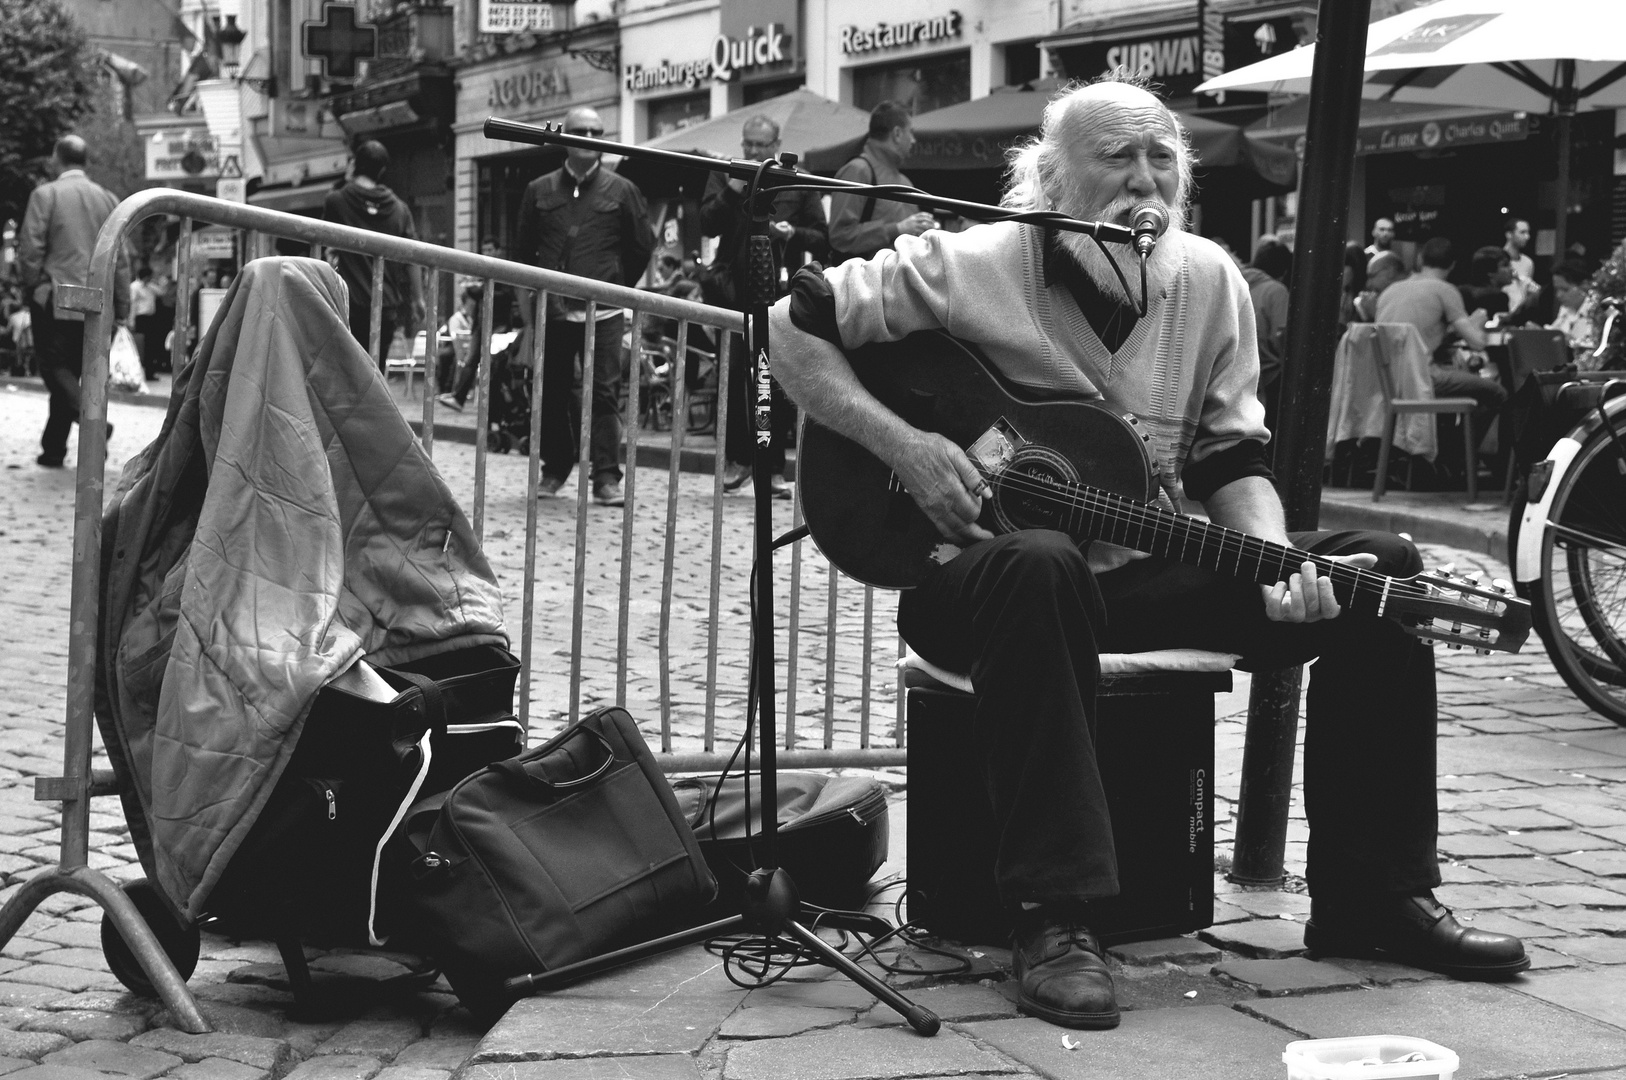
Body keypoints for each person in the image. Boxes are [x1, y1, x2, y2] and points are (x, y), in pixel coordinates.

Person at [768, 77, 1528, 1033]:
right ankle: (1055, 919)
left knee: (1378, 571)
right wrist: (906, 449)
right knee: (1040, 560)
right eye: (1115, 159)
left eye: (1160, 159)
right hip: (973, 579)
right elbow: (792, 327)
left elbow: (1231, 455)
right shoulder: (965, 262)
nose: (1144, 182)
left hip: (1132, 574)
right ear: (1049, 177)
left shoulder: (1210, 279)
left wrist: (1267, 558)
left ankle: (1375, 899)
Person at [515, 106, 653, 507]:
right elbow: (522, 253)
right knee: (554, 389)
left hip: (604, 311)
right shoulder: (539, 190)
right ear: (563, 137)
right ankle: (555, 469)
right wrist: (531, 305)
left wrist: (615, 286)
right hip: (553, 310)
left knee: (605, 391)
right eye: (580, 131)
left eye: (596, 131)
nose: (590, 137)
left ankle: (606, 476)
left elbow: (642, 245)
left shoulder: (622, 190)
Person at [700, 113, 828, 499]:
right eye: (748, 144)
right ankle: (738, 460)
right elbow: (706, 223)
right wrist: (734, 189)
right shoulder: (725, 173)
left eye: (761, 145)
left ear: (776, 145)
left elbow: (821, 238)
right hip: (733, 296)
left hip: (781, 296)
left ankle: (771, 469)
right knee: (738, 377)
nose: (753, 151)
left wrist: (792, 233)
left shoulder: (796, 180)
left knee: (773, 380)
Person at [16, 134, 128, 468]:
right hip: (97, 301)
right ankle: (53, 449)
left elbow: (30, 248)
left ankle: (94, 425)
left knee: (55, 370)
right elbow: (121, 257)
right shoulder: (109, 199)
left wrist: (31, 286)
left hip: (56, 296)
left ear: (57, 158)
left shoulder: (45, 195)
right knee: (71, 376)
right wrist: (123, 306)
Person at [1374, 236, 1508, 472]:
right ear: (1453, 265)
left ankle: (1444, 458)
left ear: (1420, 259)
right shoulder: (1445, 290)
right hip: (1423, 378)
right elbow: (1477, 343)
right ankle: (1456, 458)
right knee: (1496, 392)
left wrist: (1444, 332)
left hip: (1387, 381)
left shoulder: (1390, 291)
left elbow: (1412, 337)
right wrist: (1476, 322)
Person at [322, 140, 424, 371]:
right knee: (373, 377)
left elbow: (325, 247)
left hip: (347, 305)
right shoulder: (399, 208)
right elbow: (413, 257)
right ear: (382, 171)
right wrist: (418, 299)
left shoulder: (336, 201)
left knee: (345, 375)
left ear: (355, 164)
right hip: (384, 307)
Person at [827, 101, 936, 263]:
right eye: (910, 133)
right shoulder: (858, 171)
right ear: (897, 134)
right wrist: (897, 228)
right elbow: (840, 236)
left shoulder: (905, 181)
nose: (913, 140)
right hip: (863, 284)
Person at [1241, 237, 1291, 435]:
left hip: (1241, 375)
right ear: (1285, 271)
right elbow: (1282, 338)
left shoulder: (1238, 282)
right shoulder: (1276, 291)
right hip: (1268, 382)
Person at [1548, 259, 1597, 360]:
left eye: (1565, 289)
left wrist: (1569, 341)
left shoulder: (1596, 311)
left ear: (1585, 285)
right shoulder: (1565, 308)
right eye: (1557, 289)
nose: (1558, 295)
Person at [1459, 246, 1512, 325]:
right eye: (1505, 265)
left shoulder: (1460, 291)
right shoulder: (1498, 298)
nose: (1511, 269)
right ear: (1490, 272)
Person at [1501, 216, 1540, 318]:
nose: (1527, 237)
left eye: (1528, 233)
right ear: (1509, 234)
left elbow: (1526, 292)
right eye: (1522, 232)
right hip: (1500, 312)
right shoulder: (1497, 259)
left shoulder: (1528, 262)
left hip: (1519, 315)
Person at [129, 266, 162, 379]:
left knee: (151, 346)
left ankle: (150, 372)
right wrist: (131, 320)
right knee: (141, 346)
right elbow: (133, 304)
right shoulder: (135, 287)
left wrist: (152, 284)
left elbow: (161, 292)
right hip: (141, 318)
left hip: (151, 318)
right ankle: (138, 371)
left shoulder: (150, 287)